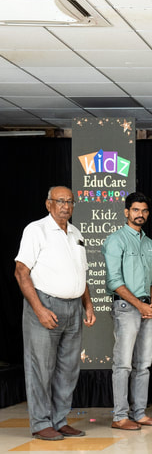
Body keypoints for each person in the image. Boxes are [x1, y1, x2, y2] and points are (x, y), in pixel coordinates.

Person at [14, 186, 96, 440]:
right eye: (60, 201)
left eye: (70, 202)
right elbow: (21, 272)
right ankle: (41, 423)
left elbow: (81, 273)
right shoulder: (36, 230)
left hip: (74, 308)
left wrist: (88, 305)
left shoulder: (76, 233)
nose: (65, 206)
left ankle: (59, 420)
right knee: (40, 367)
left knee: (68, 369)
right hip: (45, 305)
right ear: (48, 203)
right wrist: (39, 309)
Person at [102, 192, 152, 430]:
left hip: (148, 307)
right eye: (136, 210)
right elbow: (114, 281)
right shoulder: (115, 240)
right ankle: (120, 417)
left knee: (144, 364)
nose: (140, 214)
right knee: (123, 365)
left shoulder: (150, 244)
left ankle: (139, 414)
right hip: (126, 307)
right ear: (127, 212)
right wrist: (140, 306)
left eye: (144, 210)